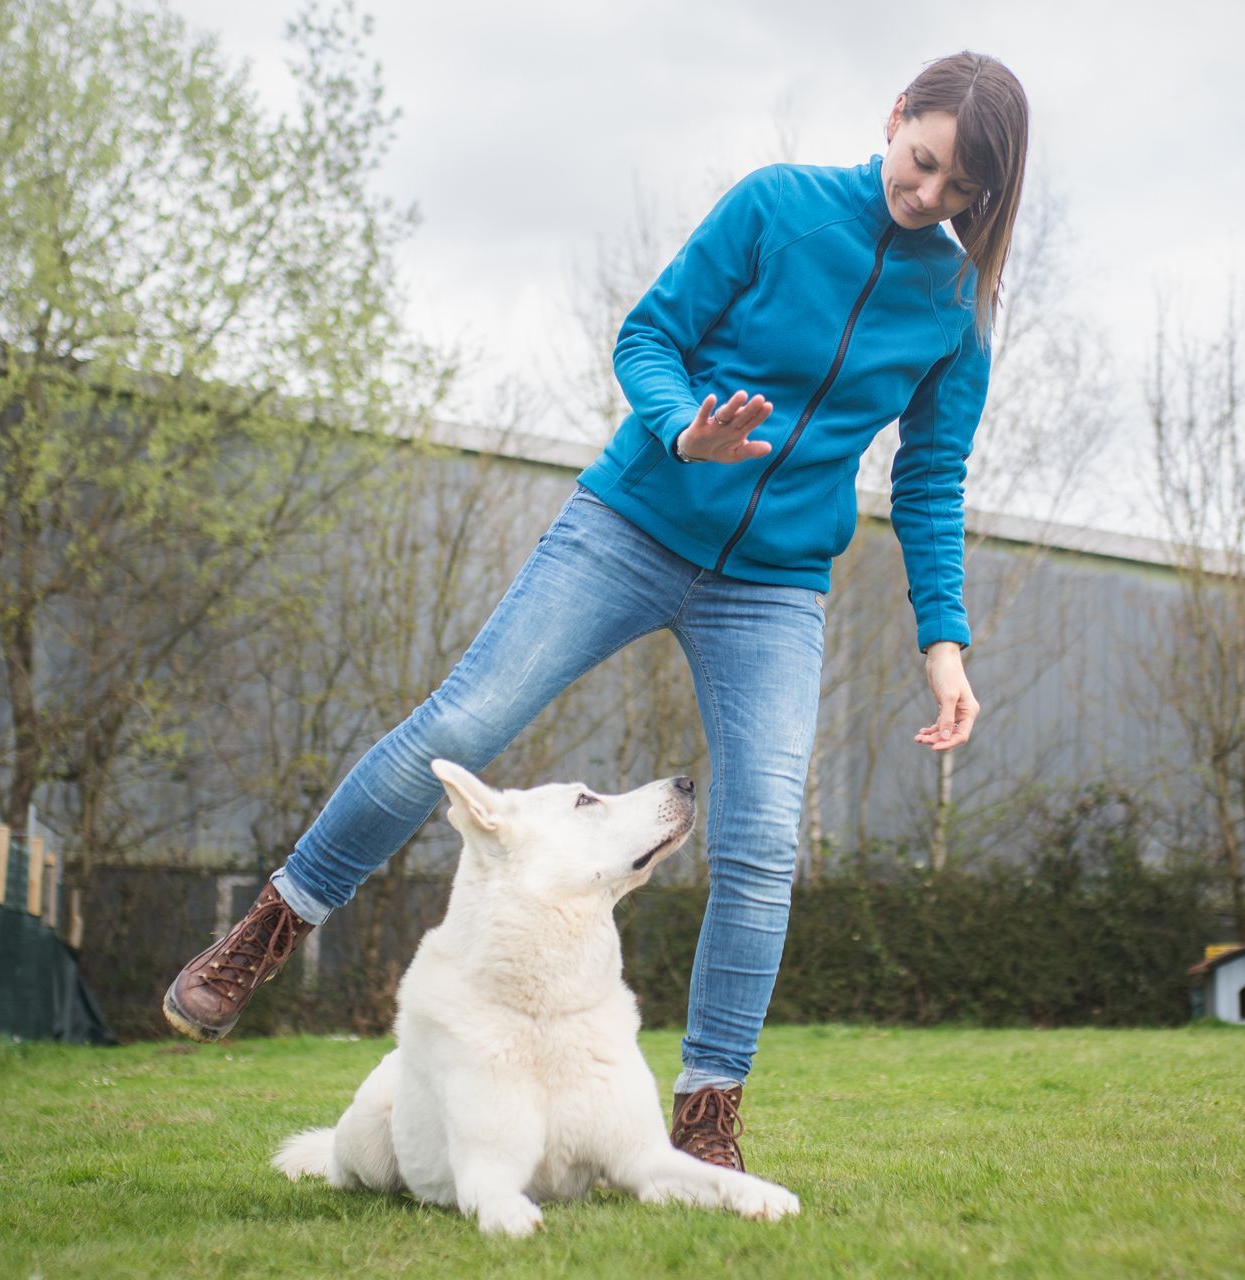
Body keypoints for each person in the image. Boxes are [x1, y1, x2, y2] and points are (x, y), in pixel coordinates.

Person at [164, 50, 1030, 1174]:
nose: (928, 198)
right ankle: (270, 925)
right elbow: (648, 336)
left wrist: (944, 643)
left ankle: (707, 1111)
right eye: (922, 165)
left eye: (959, 192)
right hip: (630, 524)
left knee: (764, 840)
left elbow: (930, 480)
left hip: (772, 590)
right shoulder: (777, 206)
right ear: (897, 117)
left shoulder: (956, 306)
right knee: (462, 726)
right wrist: (685, 428)